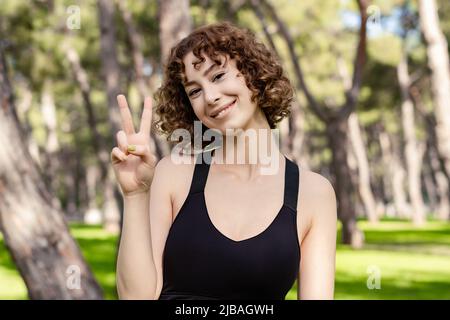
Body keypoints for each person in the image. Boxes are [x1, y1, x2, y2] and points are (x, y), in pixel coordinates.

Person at [111, 22, 337, 300]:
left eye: (217, 76)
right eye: (194, 91)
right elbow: (137, 298)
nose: (210, 97)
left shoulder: (314, 193)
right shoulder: (174, 174)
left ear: (253, 73)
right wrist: (135, 195)